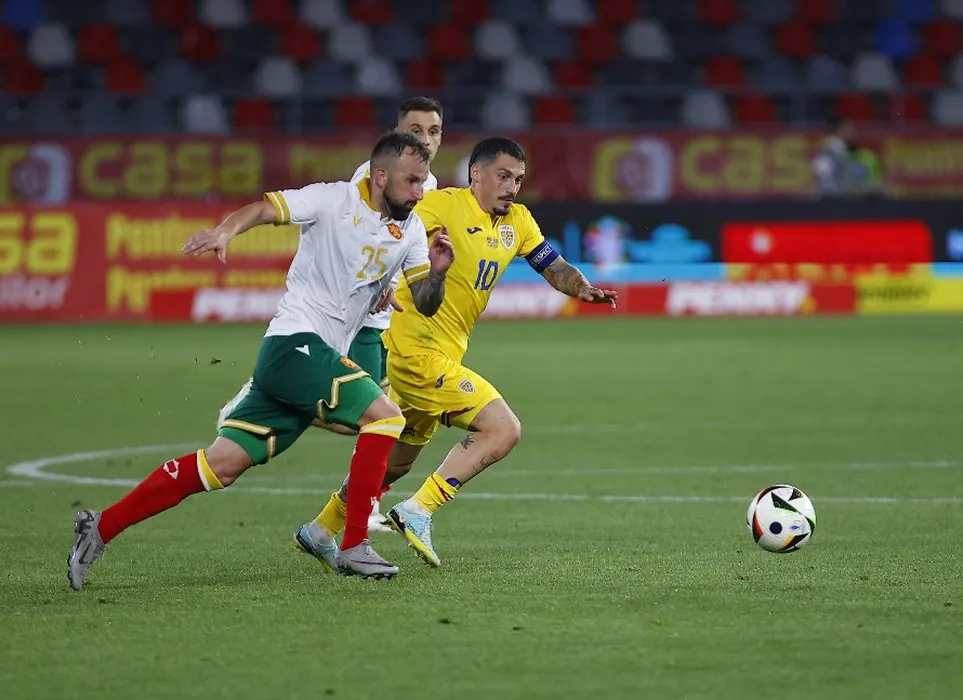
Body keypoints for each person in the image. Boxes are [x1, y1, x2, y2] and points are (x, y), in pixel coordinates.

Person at [66, 132, 455, 590]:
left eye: (423, 181)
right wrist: (225, 230)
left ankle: (100, 526)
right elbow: (264, 209)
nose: (419, 192)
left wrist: (437, 274)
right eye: (412, 181)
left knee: (221, 466)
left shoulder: (411, 230)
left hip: (311, 360)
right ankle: (353, 544)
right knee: (386, 418)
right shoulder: (332, 199)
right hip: (294, 343)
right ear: (381, 176)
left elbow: (426, 301)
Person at [293, 136, 617, 570]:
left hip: (444, 353)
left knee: (394, 463)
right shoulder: (441, 205)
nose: (511, 187)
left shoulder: (518, 221)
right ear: (475, 174)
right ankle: (418, 509)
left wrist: (581, 287)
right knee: (503, 429)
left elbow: (553, 266)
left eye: (518, 179)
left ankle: (321, 529)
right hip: (415, 352)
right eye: (503, 176)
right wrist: (380, 280)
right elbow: (390, 232)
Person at [216, 96, 445, 534]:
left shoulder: (428, 186)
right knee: (380, 415)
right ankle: (356, 522)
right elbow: (361, 234)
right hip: (354, 321)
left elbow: (401, 246)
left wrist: (397, 279)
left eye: (433, 131)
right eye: (416, 131)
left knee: (367, 419)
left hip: (374, 318)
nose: (426, 140)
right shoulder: (371, 177)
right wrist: (380, 281)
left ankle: (344, 507)